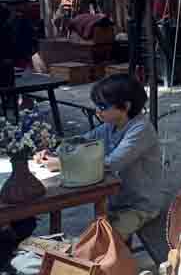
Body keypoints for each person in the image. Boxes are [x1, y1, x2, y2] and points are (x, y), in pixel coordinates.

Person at [37, 74, 163, 239]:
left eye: (103, 107)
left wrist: (61, 164)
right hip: (117, 202)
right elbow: (81, 141)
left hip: (140, 206)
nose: (97, 111)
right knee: (91, 238)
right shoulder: (110, 126)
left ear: (125, 106)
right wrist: (54, 151)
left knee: (101, 241)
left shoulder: (140, 129)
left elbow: (110, 164)